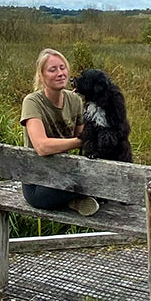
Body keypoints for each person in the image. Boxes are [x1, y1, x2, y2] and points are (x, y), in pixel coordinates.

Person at [20, 48, 99, 215]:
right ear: (41, 76)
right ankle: (76, 200)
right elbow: (42, 147)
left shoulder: (75, 99)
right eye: (52, 69)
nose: (60, 73)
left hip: (66, 173)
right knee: (55, 193)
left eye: (62, 68)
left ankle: (75, 201)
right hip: (38, 182)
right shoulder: (32, 102)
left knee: (102, 179)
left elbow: (85, 140)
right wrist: (82, 140)